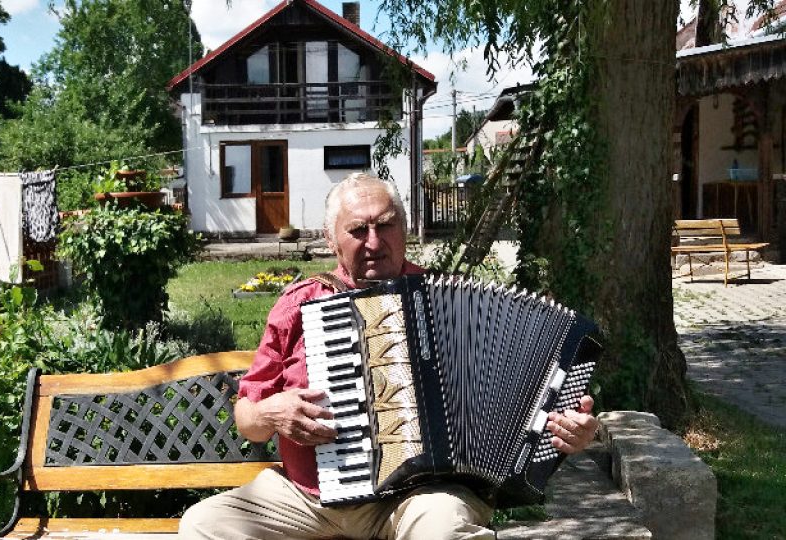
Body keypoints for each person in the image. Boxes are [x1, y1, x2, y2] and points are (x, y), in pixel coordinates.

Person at [179, 172, 599, 539]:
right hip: (308, 500)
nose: (374, 242)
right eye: (358, 230)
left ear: (405, 228)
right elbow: (247, 417)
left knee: (445, 528)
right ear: (331, 240)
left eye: (386, 225)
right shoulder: (299, 305)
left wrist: (567, 432)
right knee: (203, 525)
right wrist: (272, 413)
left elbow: (534, 409)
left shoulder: (446, 300)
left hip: (415, 499)